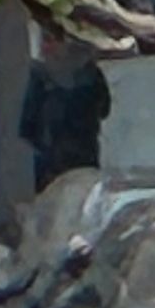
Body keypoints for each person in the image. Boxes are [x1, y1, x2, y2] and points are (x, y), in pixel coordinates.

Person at [21, 26, 111, 194]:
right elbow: (104, 109)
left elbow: (27, 124)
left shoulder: (41, 77)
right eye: (45, 40)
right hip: (81, 155)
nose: (45, 47)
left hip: (54, 157)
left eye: (50, 40)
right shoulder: (90, 74)